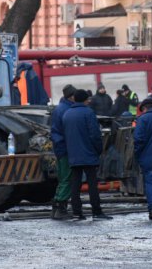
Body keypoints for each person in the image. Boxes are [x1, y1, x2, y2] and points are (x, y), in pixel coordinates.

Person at [63, 89, 113, 221]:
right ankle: (96, 211)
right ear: (85, 99)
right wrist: (98, 149)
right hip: (88, 153)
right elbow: (95, 134)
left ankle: (76, 212)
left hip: (73, 154)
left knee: (75, 184)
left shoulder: (67, 114)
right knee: (92, 184)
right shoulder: (88, 113)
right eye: (88, 99)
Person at [49, 84, 76, 220]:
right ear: (71, 96)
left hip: (59, 147)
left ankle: (56, 206)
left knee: (62, 178)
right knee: (67, 178)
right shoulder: (67, 110)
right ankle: (61, 208)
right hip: (65, 148)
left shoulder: (60, 108)